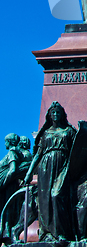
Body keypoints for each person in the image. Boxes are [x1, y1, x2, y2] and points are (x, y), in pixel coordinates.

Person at [24, 102, 77, 242]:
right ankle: (47, 233)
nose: (55, 115)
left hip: (63, 165)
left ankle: (62, 232)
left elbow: (77, 150)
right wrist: (29, 172)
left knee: (57, 195)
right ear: (49, 115)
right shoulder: (46, 133)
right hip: (45, 167)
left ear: (62, 114)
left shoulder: (69, 131)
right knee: (45, 199)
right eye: (53, 112)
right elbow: (38, 154)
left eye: (58, 112)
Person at [0, 134, 22, 239]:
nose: (5, 144)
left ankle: (6, 233)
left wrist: (3, 182)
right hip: (9, 185)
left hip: (9, 186)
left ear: (10, 141)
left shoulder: (12, 153)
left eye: (6, 141)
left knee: (7, 209)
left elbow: (12, 170)